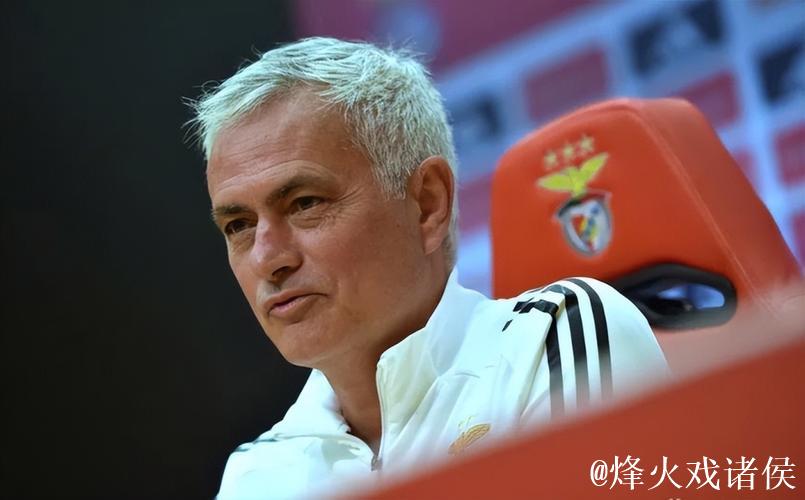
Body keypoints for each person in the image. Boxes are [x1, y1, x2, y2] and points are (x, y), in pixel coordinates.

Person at [190, 37, 668, 499]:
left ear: (427, 204)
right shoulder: (254, 476)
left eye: (305, 203)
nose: (268, 258)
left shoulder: (553, 344)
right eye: (239, 226)